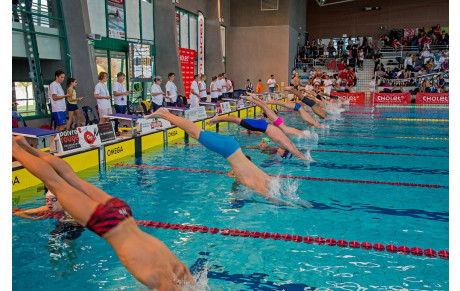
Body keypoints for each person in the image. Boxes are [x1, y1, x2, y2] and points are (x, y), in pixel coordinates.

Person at [12, 136, 195, 290]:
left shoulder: (180, 271)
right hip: (109, 225)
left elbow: (189, 276)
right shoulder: (168, 284)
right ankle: (13, 148)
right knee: (54, 183)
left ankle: (27, 147)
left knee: (70, 177)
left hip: (122, 212)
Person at [145, 109, 304, 207]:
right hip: (227, 150)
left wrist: (289, 195)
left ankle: (165, 114)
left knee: (198, 130)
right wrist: (290, 205)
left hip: (233, 145)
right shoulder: (257, 185)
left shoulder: (264, 177)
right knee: (194, 132)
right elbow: (271, 199)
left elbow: (277, 186)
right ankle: (164, 114)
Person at [207, 114, 310, 161]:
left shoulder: (283, 144)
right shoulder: (287, 145)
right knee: (236, 120)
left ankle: (217, 118)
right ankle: (217, 118)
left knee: (237, 120)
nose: (281, 154)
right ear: (285, 153)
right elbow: (297, 153)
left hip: (263, 126)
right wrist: (309, 160)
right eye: (283, 155)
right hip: (262, 127)